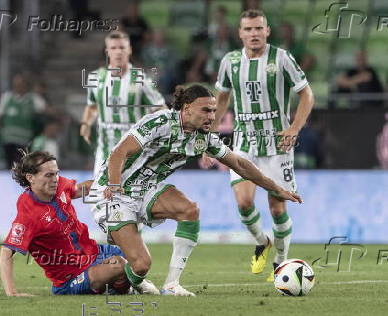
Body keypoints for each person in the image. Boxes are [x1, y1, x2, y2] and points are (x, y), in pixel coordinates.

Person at [90, 84, 302, 297]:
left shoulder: (205, 137)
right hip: (112, 192)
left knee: (190, 210)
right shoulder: (160, 122)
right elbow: (119, 153)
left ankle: (172, 285)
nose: (212, 116)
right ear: (187, 108)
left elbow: (240, 164)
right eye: (206, 110)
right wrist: (114, 185)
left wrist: (276, 188)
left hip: (146, 189)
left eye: (214, 110)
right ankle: (91, 280)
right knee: (141, 265)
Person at [212, 9, 314, 281]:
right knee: (244, 203)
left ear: (267, 31)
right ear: (240, 33)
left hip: (277, 145)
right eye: (248, 29)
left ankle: (280, 263)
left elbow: (307, 94)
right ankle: (262, 241)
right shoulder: (230, 61)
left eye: (259, 28)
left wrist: (294, 127)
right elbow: (221, 100)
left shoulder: (282, 58)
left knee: (277, 208)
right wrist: (209, 133)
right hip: (243, 142)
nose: (254, 34)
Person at [0, 150, 158, 296]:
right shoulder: (28, 215)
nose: (55, 179)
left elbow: (80, 189)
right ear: (30, 177)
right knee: (119, 266)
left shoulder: (59, 185)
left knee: (138, 258)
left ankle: (118, 288)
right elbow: (5, 253)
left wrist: (109, 186)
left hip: (95, 253)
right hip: (71, 277)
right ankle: (127, 289)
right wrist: (12, 293)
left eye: (56, 174)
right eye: (48, 175)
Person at [80, 30, 165, 177]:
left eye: (122, 47)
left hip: (135, 155)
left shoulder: (141, 80)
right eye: (113, 48)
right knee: (101, 198)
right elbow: (92, 106)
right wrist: (86, 124)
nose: (118, 52)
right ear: (107, 51)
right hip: (104, 153)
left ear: (129, 50)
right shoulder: (96, 78)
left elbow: (160, 109)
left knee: (132, 198)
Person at [0, 73, 47, 169]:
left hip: (24, 140)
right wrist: (2, 133)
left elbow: (45, 109)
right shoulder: (7, 97)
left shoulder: (32, 99)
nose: (18, 87)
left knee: (22, 166)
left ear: (25, 85)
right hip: (8, 140)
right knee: (9, 166)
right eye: (16, 84)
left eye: (21, 84)